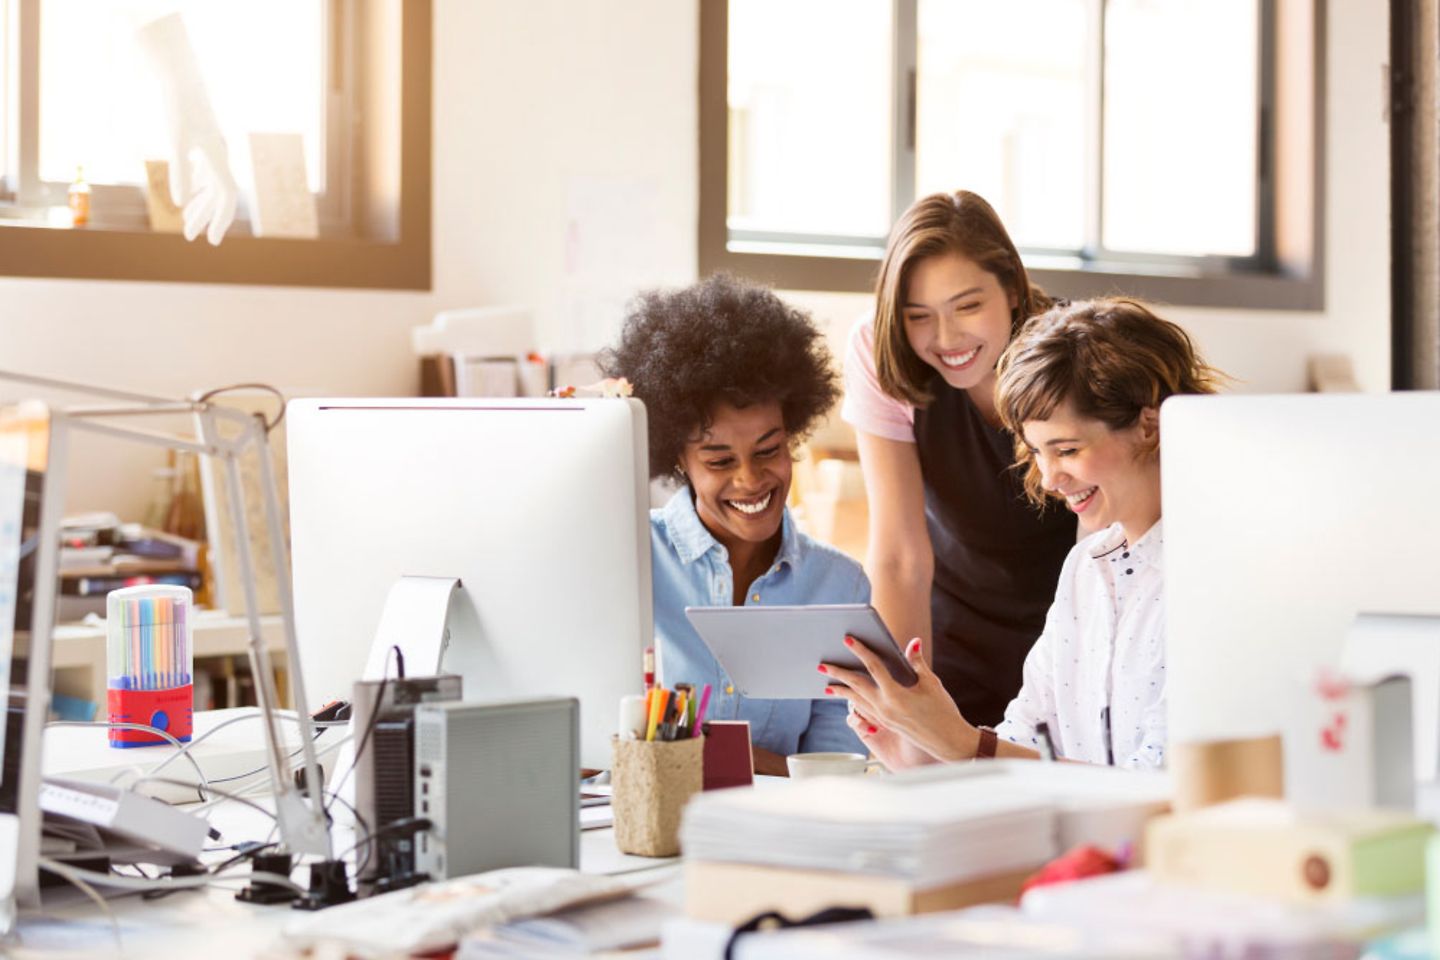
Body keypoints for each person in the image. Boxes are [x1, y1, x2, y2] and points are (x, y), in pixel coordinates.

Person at [822, 298, 1223, 769]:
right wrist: (927, 755)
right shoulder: (1086, 569)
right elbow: (1026, 736)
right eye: (1037, 453)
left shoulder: (1214, 575)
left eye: (1067, 449)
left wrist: (963, 745)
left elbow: (1161, 787)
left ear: (1149, 426)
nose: (1051, 479)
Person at [602, 273, 869, 775]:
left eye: (768, 450)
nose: (750, 479)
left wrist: (707, 756)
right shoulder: (628, 558)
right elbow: (596, 741)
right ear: (679, 459)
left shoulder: (838, 585)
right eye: (719, 461)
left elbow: (838, 768)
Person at [843, 190, 1076, 728]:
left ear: (1014, 290)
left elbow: (1104, 546)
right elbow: (900, 555)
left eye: (968, 306)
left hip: (1072, 625)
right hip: (955, 632)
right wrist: (903, 706)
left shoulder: (1073, 351)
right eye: (918, 315)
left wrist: (1065, 687)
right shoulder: (878, 353)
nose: (946, 339)